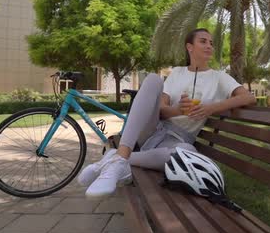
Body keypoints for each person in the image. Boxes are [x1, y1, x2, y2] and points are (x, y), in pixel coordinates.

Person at [78, 28, 257, 198]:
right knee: (153, 79)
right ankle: (121, 156)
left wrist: (209, 108)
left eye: (211, 42)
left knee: (188, 153)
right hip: (155, 129)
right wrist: (178, 109)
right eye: (203, 41)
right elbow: (161, 109)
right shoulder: (177, 73)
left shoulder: (219, 77)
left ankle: (116, 158)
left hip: (179, 139)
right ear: (190, 47)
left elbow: (248, 97)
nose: (209, 46)